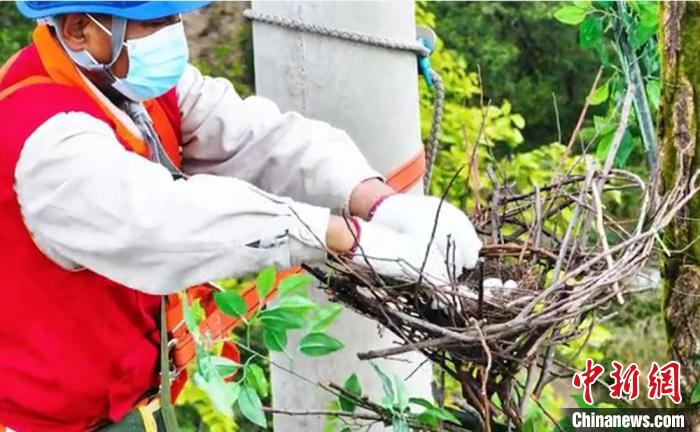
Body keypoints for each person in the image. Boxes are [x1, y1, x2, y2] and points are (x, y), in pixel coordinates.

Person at [0, 1, 482, 430]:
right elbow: (171, 222)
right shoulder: (46, 142)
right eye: (155, 21)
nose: (175, 32)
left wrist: (376, 199)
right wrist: (343, 236)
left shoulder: (124, 82)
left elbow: (258, 137)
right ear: (80, 29)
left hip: (129, 407)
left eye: (175, 16)